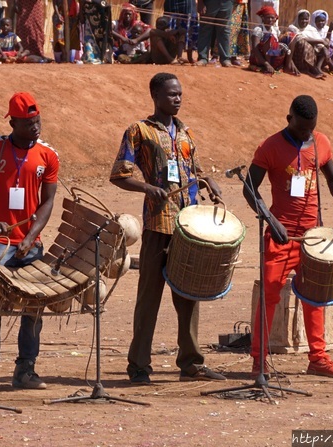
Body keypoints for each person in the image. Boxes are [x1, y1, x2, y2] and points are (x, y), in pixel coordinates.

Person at [110, 73, 226, 385]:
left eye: (180, 94)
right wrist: (147, 188)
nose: (177, 98)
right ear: (156, 96)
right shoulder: (140, 131)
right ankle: (138, 365)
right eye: (171, 94)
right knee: (149, 296)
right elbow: (119, 174)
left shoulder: (186, 133)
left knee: (189, 294)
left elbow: (195, 171)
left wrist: (208, 181)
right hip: (157, 224)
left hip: (188, 226)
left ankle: (191, 362)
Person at [242, 95, 333, 380]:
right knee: (270, 295)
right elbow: (250, 188)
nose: (307, 133)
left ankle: (318, 358)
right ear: (289, 119)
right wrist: (270, 220)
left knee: (316, 297)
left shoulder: (321, 142)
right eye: (302, 128)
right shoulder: (269, 147)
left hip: (314, 238)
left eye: (312, 127)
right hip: (280, 236)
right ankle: (259, 361)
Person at [0, 92, 59, 391]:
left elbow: (48, 202)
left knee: (34, 306)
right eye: (29, 123)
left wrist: (31, 237)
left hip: (30, 244)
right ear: (13, 122)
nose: (36, 127)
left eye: (38, 121)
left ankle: (25, 370)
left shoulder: (48, 155)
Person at [248, 5, 296, 75]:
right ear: (263, 18)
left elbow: (280, 43)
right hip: (259, 58)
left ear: (275, 19)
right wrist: (266, 64)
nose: (270, 20)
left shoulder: (275, 29)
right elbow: (255, 49)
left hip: (273, 57)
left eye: (272, 18)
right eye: (268, 17)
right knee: (270, 38)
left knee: (290, 36)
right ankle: (267, 65)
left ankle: (287, 65)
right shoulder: (258, 29)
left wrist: (290, 60)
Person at [288, 10, 329, 80]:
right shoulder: (292, 27)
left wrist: (323, 47)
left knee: (323, 46)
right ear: (298, 19)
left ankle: (317, 68)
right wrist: (321, 41)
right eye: (302, 19)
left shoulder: (311, 29)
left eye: (306, 19)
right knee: (302, 42)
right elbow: (299, 38)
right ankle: (312, 69)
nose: (304, 21)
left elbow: (320, 42)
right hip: (297, 57)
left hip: (312, 56)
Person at [196, 0, 233, 66]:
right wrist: (200, 2)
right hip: (209, 3)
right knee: (205, 29)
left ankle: (225, 59)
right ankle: (203, 58)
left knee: (224, 30)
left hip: (227, 3)